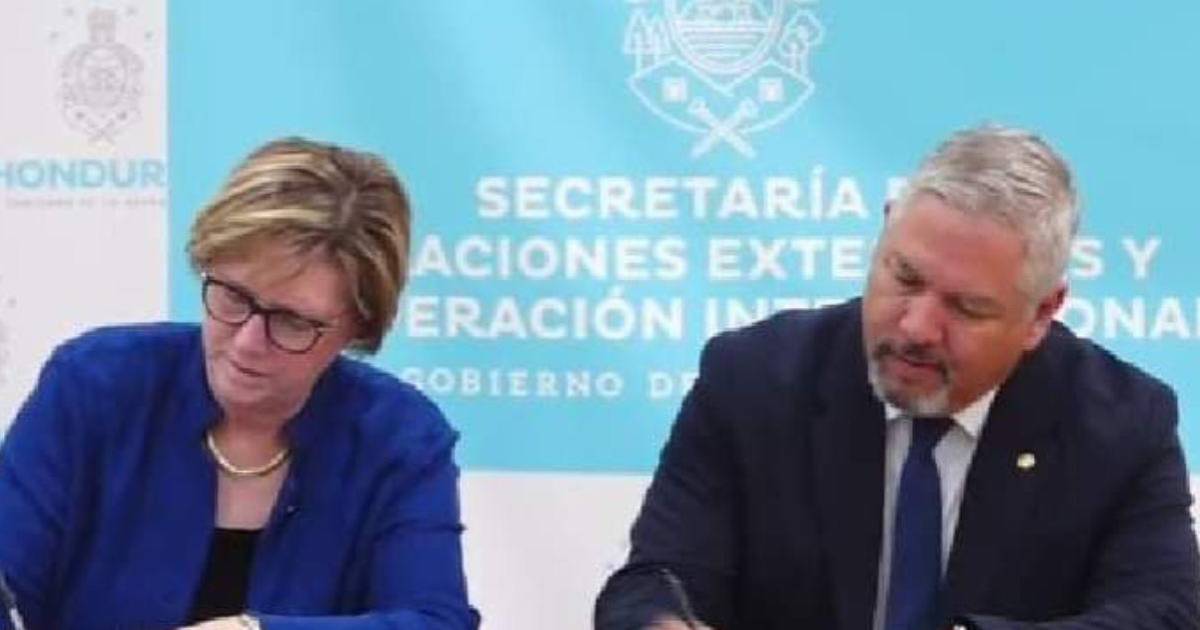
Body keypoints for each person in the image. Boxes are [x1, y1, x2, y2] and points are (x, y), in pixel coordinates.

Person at [595, 125, 1200, 629]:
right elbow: (655, 580)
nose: (916, 327)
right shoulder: (753, 379)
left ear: (1042, 312)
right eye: (904, 277)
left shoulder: (1122, 423)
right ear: (885, 230)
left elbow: (1166, 612)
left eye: (966, 308)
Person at [0, 138, 480, 629]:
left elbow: (436, 622)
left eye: (291, 321)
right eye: (232, 296)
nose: (248, 342)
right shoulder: (95, 384)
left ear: (356, 327)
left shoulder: (398, 438)